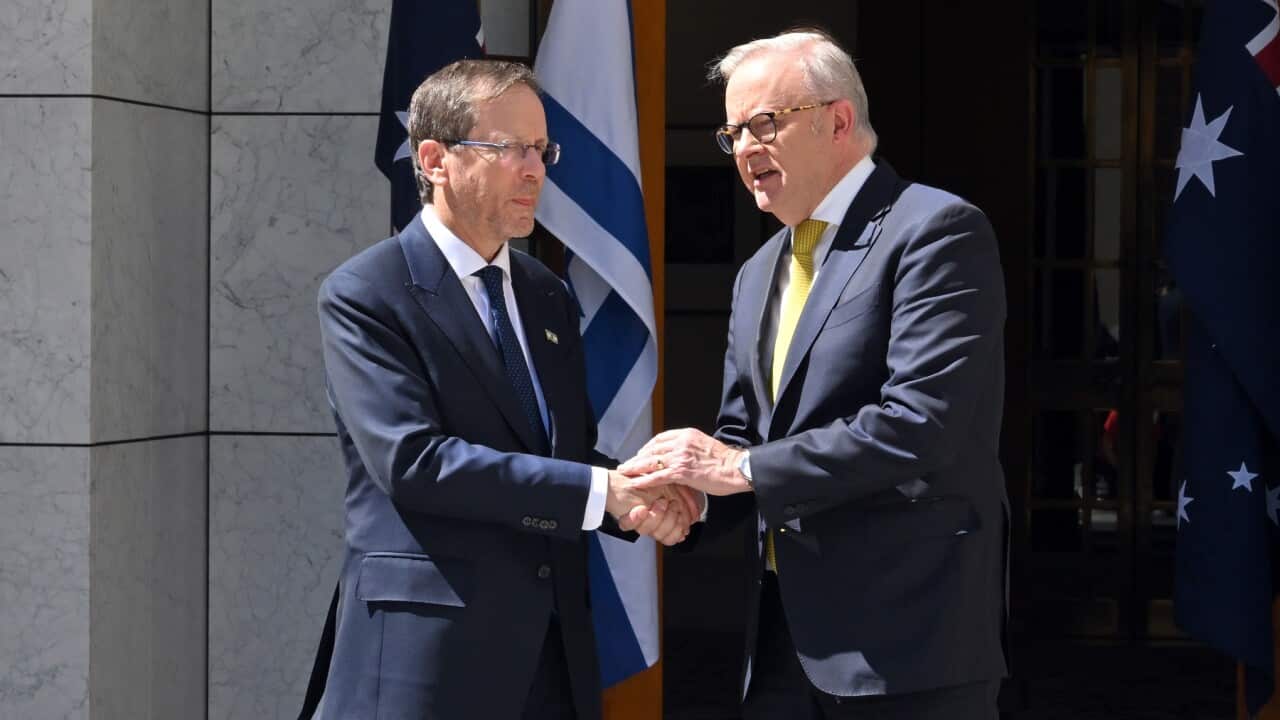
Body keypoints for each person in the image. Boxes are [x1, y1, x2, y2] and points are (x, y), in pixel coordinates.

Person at [620, 29, 1008, 719]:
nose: (744, 148)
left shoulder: (935, 230)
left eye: (764, 123)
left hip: (906, 639)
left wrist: (738, 470)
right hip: (780, 646)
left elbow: (921, 425)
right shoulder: (757, 270)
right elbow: (744, 437)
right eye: (733, 132)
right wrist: (694, 497)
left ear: (838, 121)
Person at [314, 59, 693, 720]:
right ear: (434, 159)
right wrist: (602, 493)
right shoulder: (367, 293)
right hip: (427, 666)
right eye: (510, 148)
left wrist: (633, 497)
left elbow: (561, 457)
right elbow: (414, 463)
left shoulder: (547, 296)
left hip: (553, 664)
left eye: (542, 149)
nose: (536, 169)